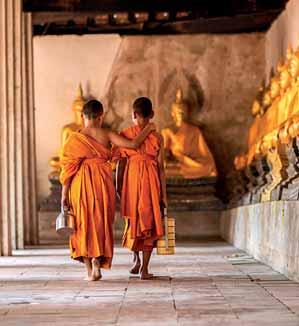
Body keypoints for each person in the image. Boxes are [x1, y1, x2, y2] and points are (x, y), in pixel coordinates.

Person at [60, 99, 155, 281]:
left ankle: (90, 270)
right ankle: (98, 258)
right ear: (101, 117)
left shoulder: (73, 138)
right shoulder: (107, 134)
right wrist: (148, 129)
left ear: (82, 117)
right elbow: (134, 145)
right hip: (102, 182)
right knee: (100, 221)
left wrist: (64, 194)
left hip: (80, 184)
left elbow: (67, 170)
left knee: (82, 224)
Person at [115, 97, 167, 280]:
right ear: (152, 114)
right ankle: (144, 268)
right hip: (151, 183)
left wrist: (118, 187)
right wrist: (164, 196)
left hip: (132, 180)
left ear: (133, 114)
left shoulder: (125, 133)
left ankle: (136, 259)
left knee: (133, 220)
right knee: (149, 223)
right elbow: (161, 168)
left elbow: (120, 165)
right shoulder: (157, 137)